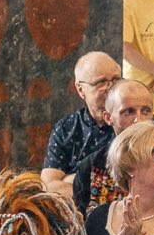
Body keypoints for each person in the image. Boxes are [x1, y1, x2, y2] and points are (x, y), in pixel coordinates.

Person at [74, 79, 154, 214]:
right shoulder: (89, 167)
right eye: (129, 112)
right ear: (108, 117)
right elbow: (80, 221)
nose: (139, 120)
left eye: (146, 111)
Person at [38, 51, 123, 201]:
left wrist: (72, 179)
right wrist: (101, 191)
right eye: (101, 82)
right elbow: (48, 185)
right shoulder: (66, 128)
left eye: (116, 79)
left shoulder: (135, 121)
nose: (111, 87)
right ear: (80, 89)